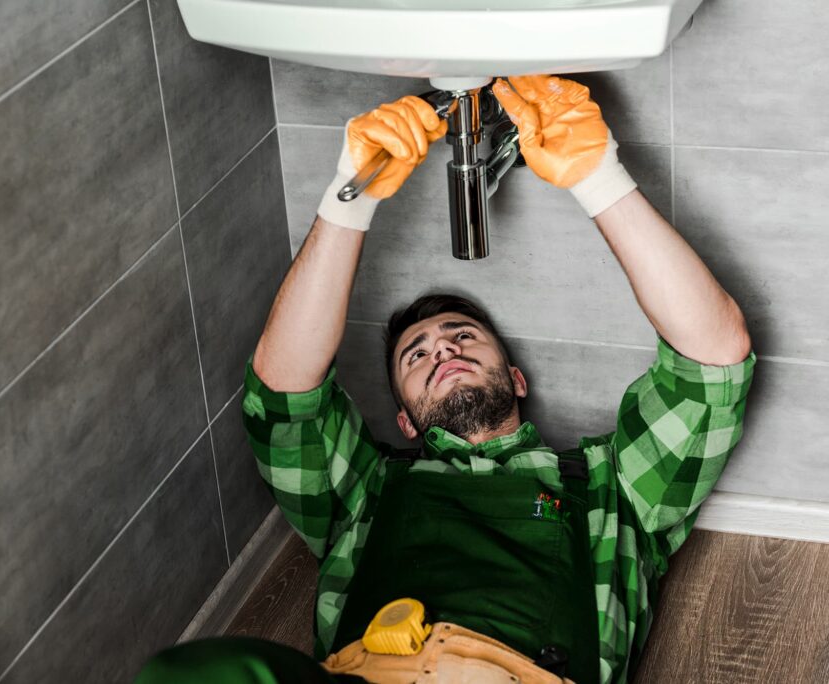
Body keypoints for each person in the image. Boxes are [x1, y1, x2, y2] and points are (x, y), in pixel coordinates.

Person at [137, 75, 756, 684]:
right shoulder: (364, 492)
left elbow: (713, 361)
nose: (443, 351)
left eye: (464, 336)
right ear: (404, 420)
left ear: (516, 378)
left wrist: (599, 178)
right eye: (416, 356)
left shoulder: (612, 488)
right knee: (191, 674)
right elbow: (282, 398)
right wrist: (349, 199)